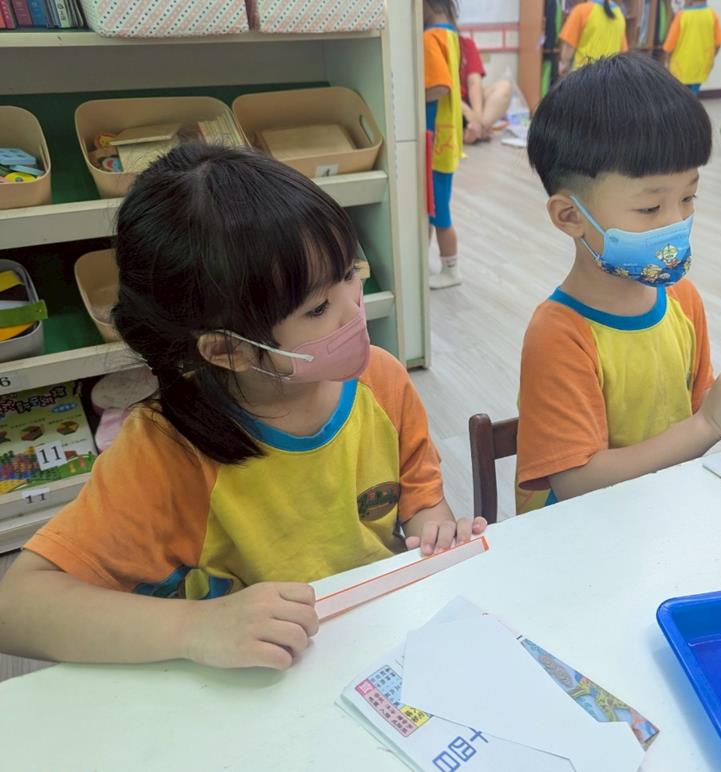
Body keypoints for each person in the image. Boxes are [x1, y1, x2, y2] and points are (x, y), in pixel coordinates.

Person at [0, 145, 486, 670]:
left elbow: (420, 502)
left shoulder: (383, 381)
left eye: (350, 272)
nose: (354, 309)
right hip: (265, 678)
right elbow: (17, 608)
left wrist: (435, 531)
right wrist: (193, 627)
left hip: (376, 647)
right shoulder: (167, 450)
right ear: (227, 350)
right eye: (318, 308)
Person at [517, 54, 721, 514]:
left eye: (689, 197)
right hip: (586, 530)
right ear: (571, 216)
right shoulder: (559, 334)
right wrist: (705, 426)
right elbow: (577, 482)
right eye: (650, 208)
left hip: (662, 512)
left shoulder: (682, 300)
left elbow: (692, 411)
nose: (676, 221)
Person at [424, 0, 464, 288]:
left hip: (435, 139)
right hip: (446, 137)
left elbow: (439, 86)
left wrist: (414, 94)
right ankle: (423, 260)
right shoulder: (450, 33)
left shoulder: (430, 38)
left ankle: (451, 270)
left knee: (438, 210)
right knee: (430, 206)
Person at [459, 33, 513, 145]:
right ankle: (474, 131)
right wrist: (467, 112)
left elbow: (474, 82)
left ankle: (478, 130)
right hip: (451, 104)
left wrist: (477, 117)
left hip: (469, 101)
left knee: (505, 87)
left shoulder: (466, 44)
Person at [663, 0, 721, 94]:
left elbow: (670, 45)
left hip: (680, 66)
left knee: (678, 93)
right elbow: (718, 43)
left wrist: (667, 60)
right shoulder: (712, 14)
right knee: (693, 93)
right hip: (701, 65)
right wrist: (711, 58)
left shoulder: (682, 16)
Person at [559, 0, 628, 75]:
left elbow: (568, 49)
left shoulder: (581, 11)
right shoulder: (619, 15)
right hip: (610, 77)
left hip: (583, 76)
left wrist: (564, 66)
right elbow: (623, 54)